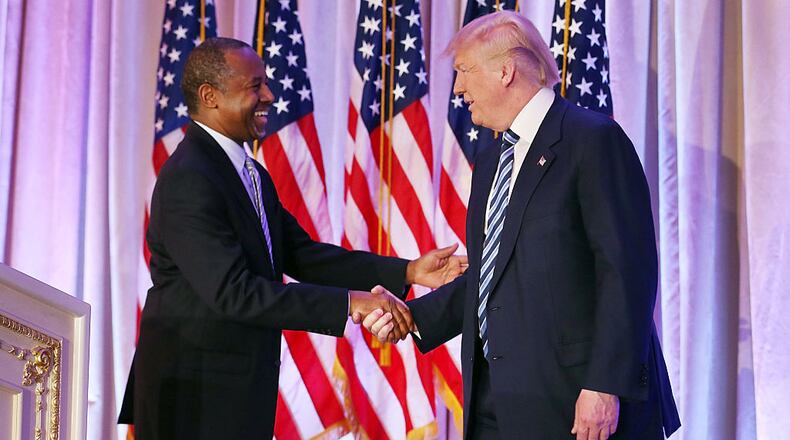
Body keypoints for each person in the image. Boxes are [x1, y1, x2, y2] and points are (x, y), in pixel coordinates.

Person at [118, 37, 465, 440]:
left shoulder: (248, 173)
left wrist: (407, 271)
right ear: (210, 96)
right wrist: (351, 303)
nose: (269, 95)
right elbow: (235, 292)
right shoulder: (190, 178)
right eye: (255, 86)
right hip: (193, 395)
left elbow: (303, 255)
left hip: (235, 391)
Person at [361, 11, 681, 440]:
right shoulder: (492, 160)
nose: (458, 89)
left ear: (506, 70)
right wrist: (412, 316)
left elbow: (627, 273)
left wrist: (604, 385)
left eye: (464, 72)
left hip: (575, 399)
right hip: (498, 400)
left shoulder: (592, 140)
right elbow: (495, 275)